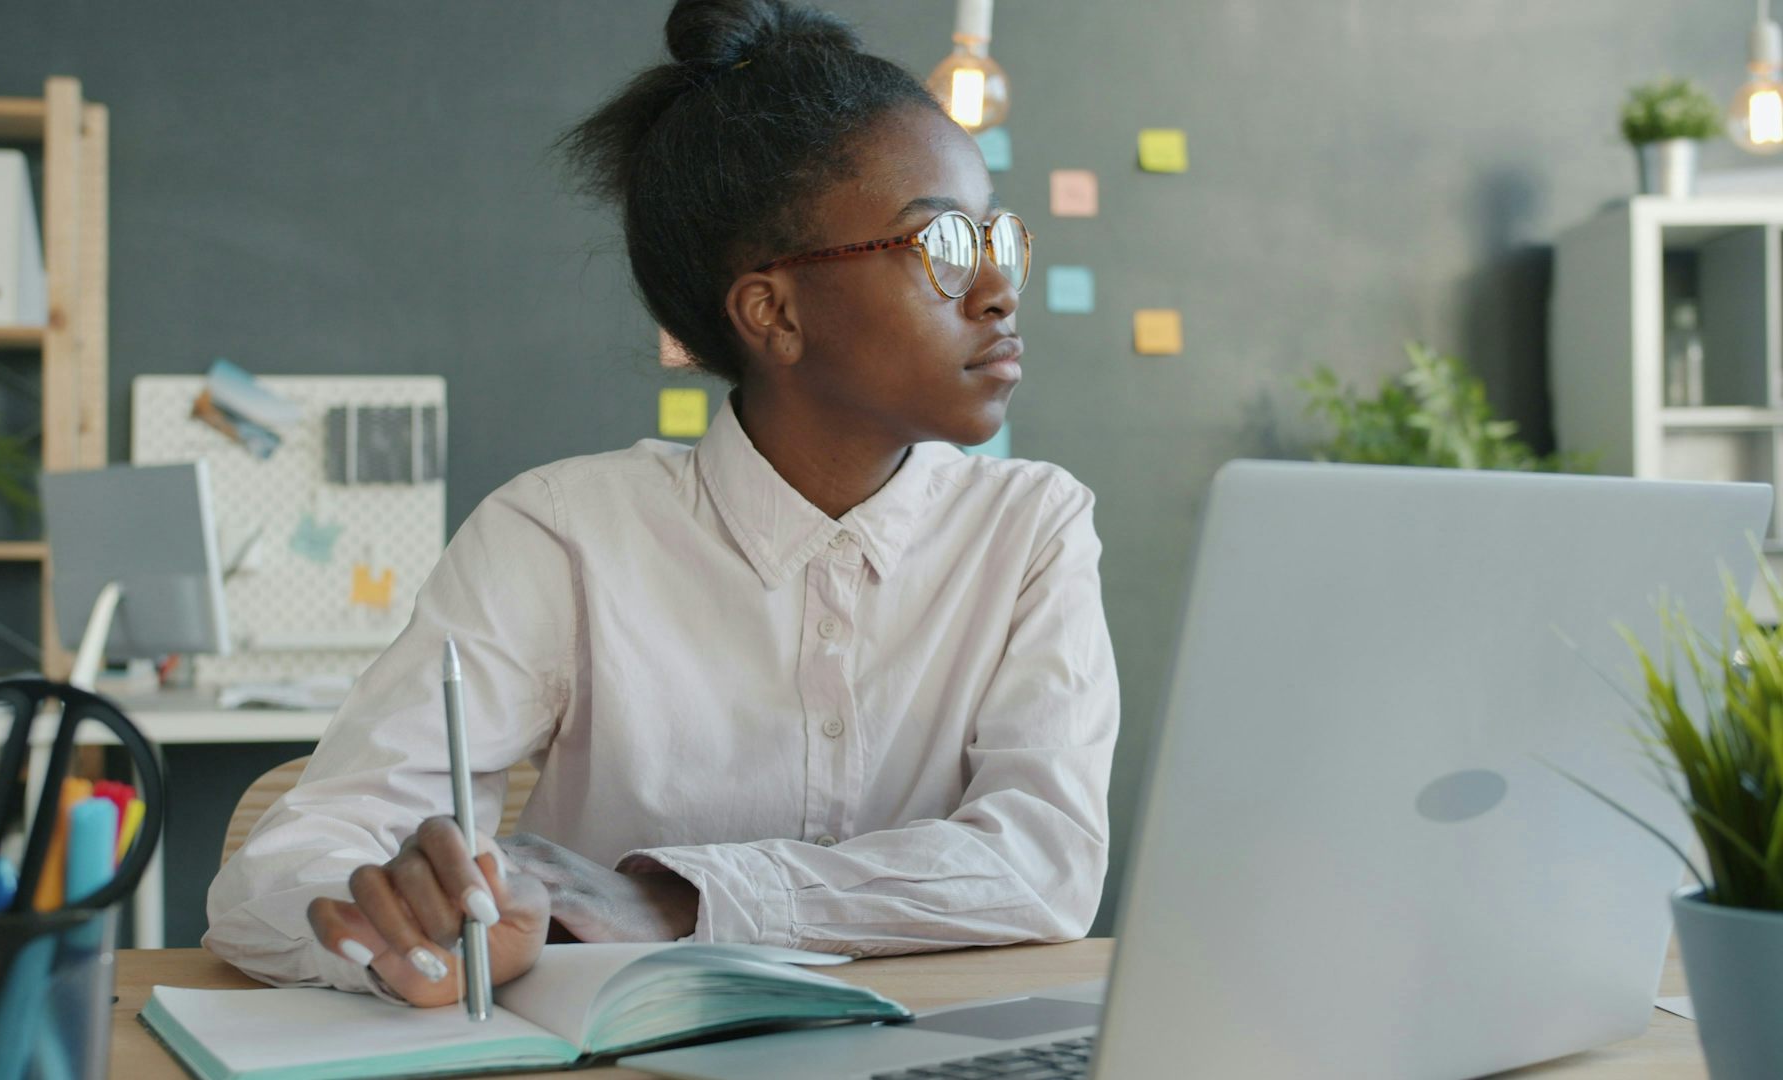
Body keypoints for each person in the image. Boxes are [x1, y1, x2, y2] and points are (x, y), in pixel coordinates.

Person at [205, 0, 1119, 1008]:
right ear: (773, 313)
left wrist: (681, 902)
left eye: (996, 237)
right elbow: (274, 875)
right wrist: (403, 923)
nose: (996, 287)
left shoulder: (1033, 529)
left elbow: (1044, 863)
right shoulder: (561, 535)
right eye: (943, 244)